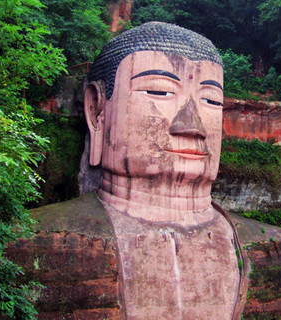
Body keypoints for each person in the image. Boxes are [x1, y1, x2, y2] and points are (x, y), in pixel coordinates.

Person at [83, 21, 246, 319]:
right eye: (159, 91)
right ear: (96, 110)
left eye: (211, 100)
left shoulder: (273, 249)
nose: (192, 124)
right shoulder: (39, 241)